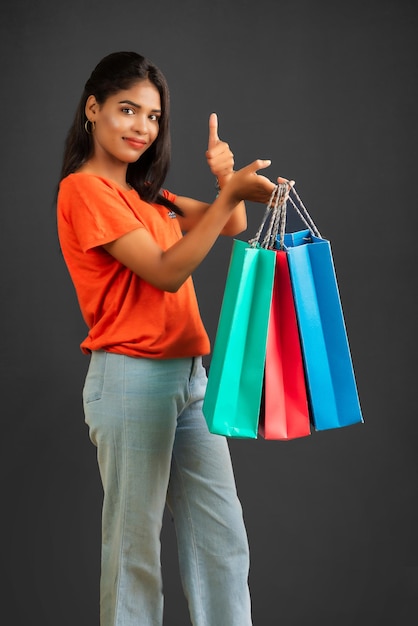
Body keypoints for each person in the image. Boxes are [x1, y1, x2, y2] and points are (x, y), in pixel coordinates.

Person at [57, 50, 291, 626]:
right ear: (93, 109)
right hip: (130, 378)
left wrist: (224, 183)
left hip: (190, 379)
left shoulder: (147, 197)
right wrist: (229, 194)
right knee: (135, 554)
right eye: (127, 110)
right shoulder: (83, 192)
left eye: (154, 117)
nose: (142, 127)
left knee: (222, 542)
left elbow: (230, 225)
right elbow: (167, 271)